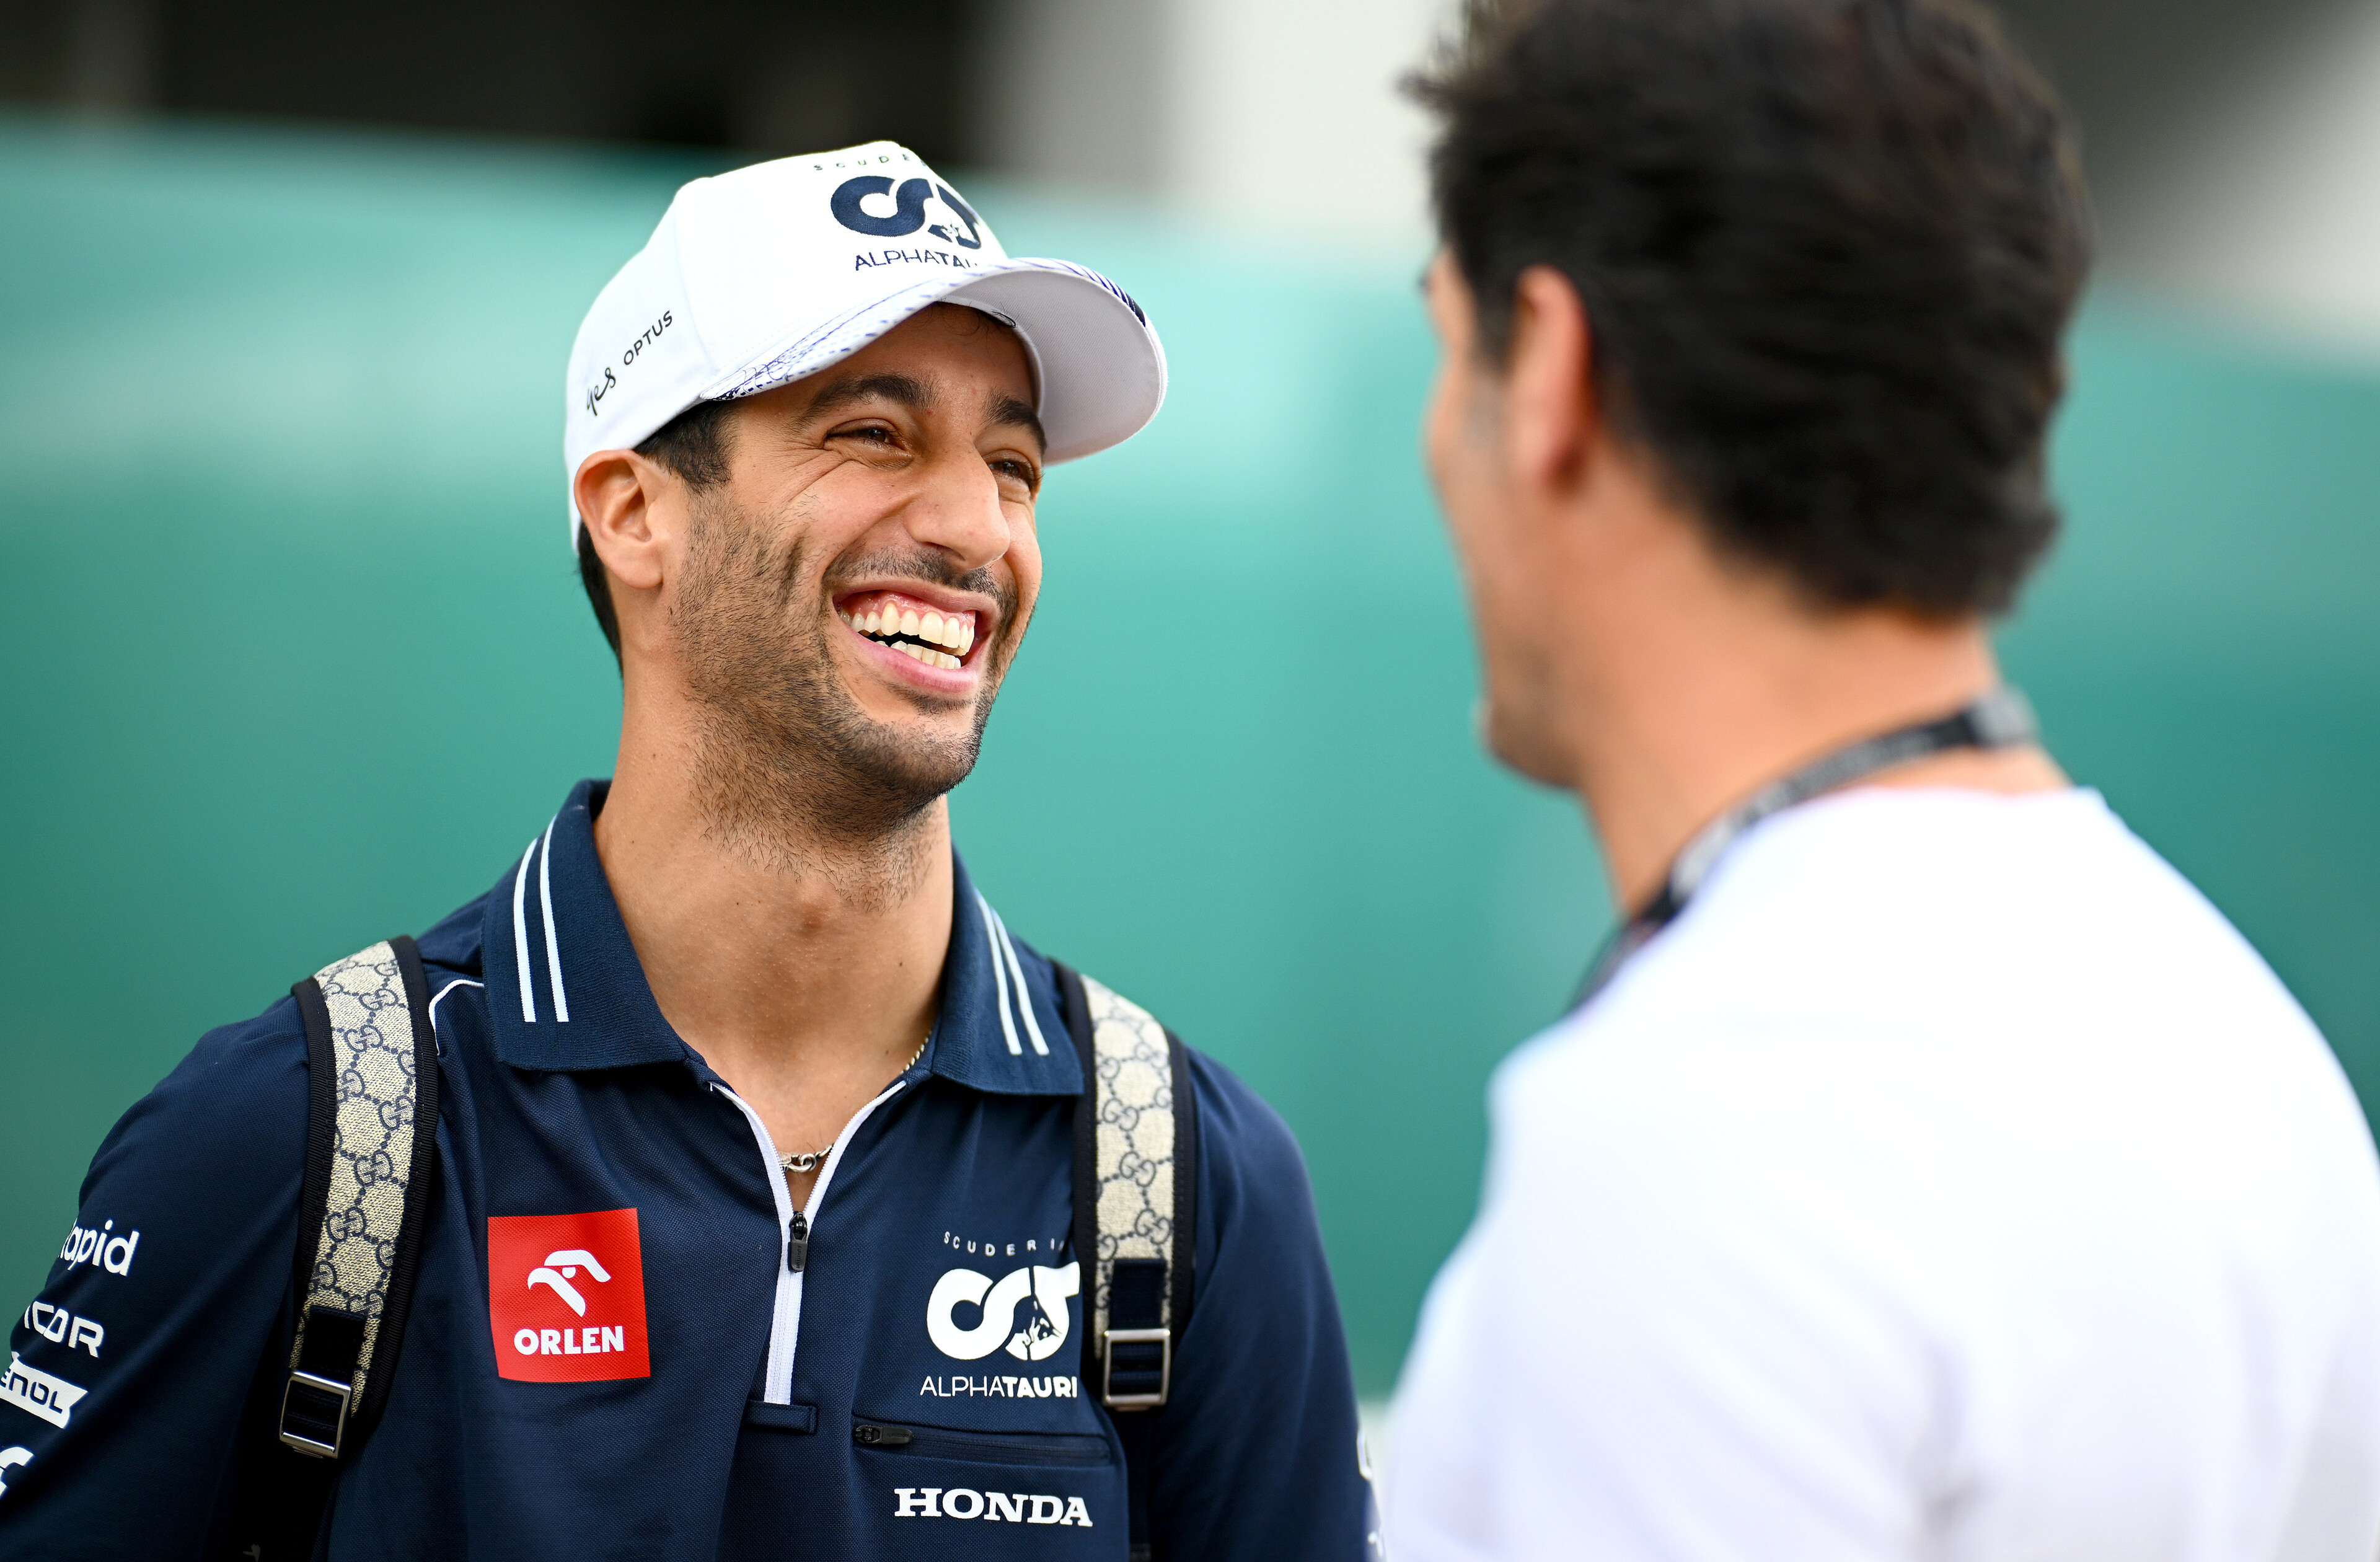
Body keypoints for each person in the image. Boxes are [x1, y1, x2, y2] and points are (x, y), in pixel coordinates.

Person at [1, 142, 1374, 1560]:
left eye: (1013, 464)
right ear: (635, 512)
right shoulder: (307, 1135)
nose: (978, 527)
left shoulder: (1186, 1181)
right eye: (873, 434)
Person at [1383, 2, 2380, 1558]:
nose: (1437, 437)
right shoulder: (2262, 1073)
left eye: (1453, 353)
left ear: (1558, 372)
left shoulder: (1706, 1131)